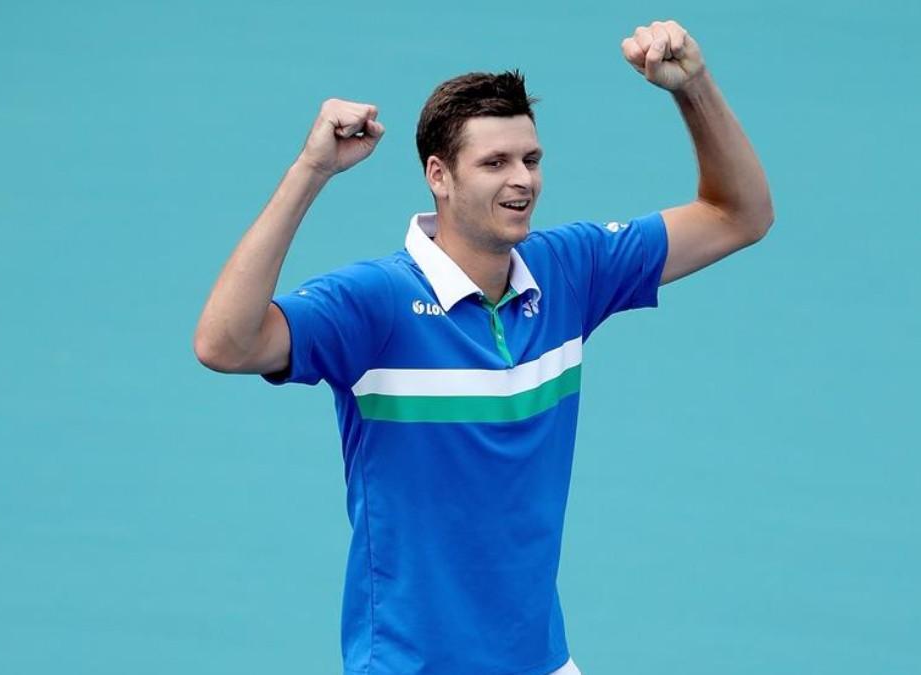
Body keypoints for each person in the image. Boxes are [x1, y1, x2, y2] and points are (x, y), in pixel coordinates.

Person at [194, 19, 773, 675]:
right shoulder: (374, 302)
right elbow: (225, 342)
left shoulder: (570, 269)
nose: (521, 180)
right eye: (495, 163)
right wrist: (311, 169)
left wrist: (692, 86)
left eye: (531, 159)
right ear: (438, 176)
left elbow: (740, 215)